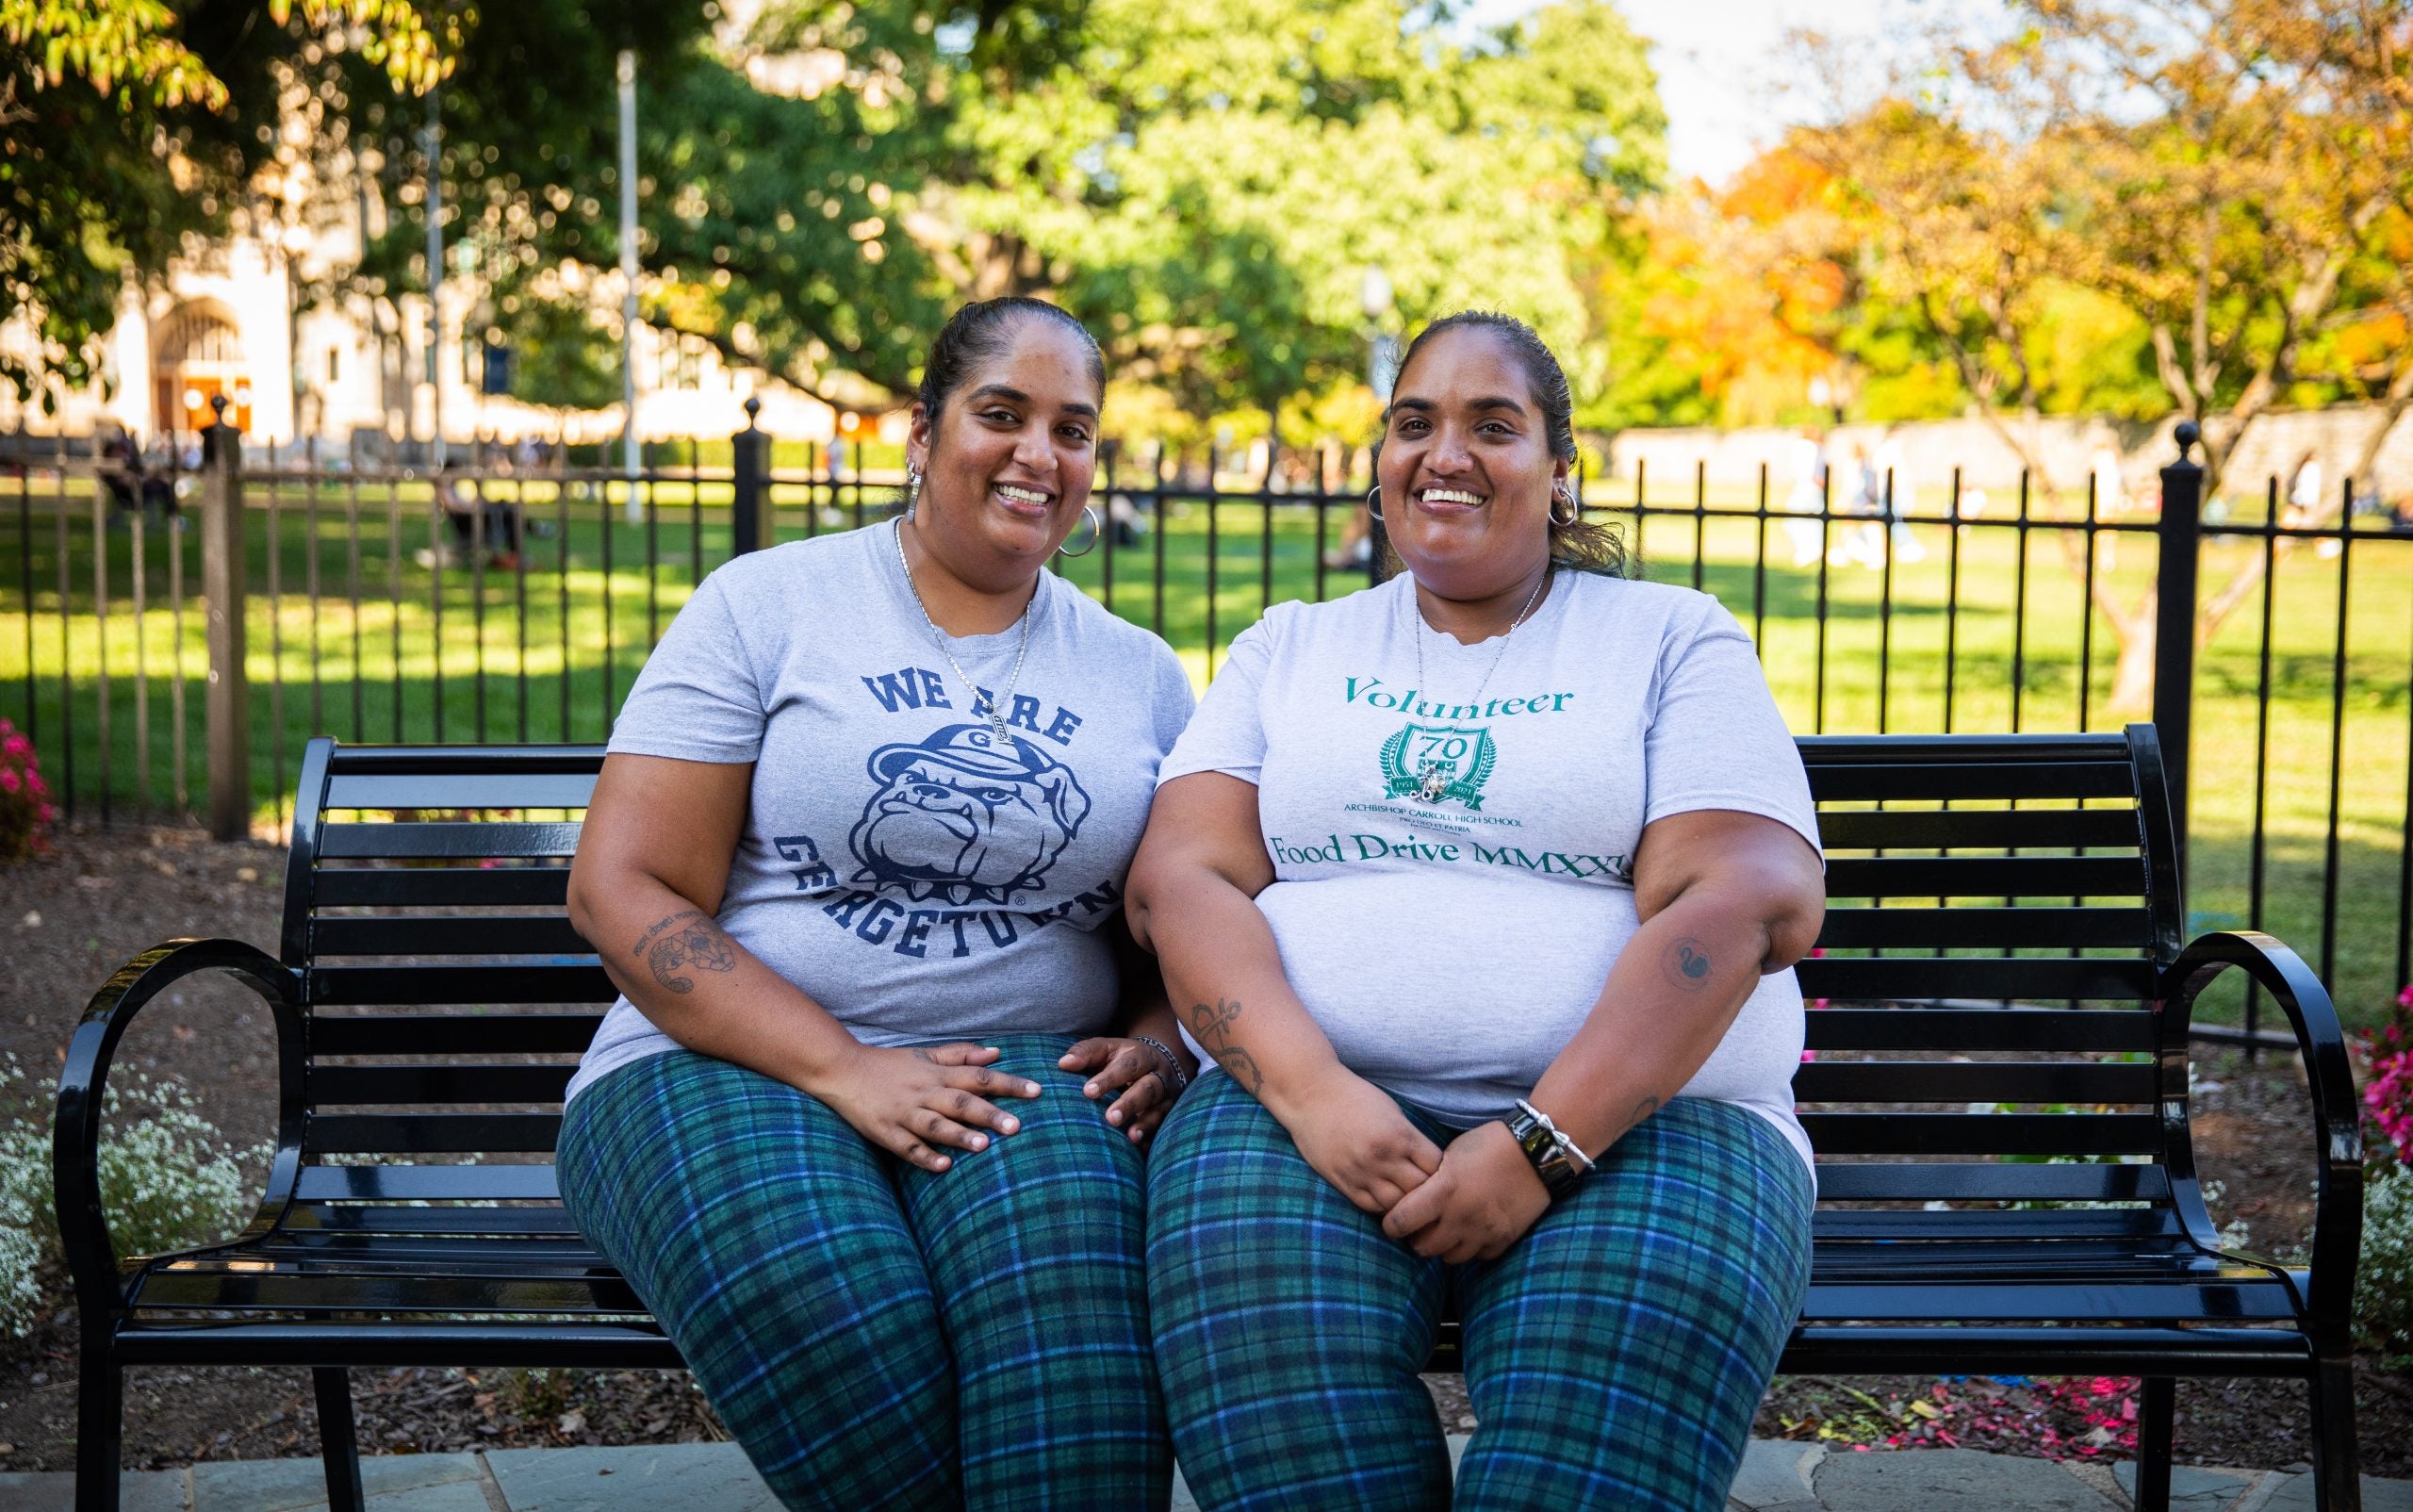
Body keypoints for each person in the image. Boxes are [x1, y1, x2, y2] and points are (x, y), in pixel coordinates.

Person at [1129, 310, 1827, 1512]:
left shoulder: (1668, 639)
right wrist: (1311, 1090)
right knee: (1282, 1398)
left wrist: (1544, 1139)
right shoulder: (1289, 647)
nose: (1443, 453)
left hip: (1658, 1127)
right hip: (1302, 1113)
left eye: (1491, 426)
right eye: (1414, 423)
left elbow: (1746, 895)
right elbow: (1180, 878)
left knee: (1584, 1451)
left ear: (1559, 470)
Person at [556, 297, 1199, 1511]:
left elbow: (1185, 910)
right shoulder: (768, 605)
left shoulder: (1139, 673)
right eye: (999, 414)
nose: (1036, 454)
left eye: (1072, 428)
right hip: (713, 1059)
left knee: (1075, 1345)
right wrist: (848, 1067)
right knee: (836, 1296)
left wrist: (1160, 1043)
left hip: (1017, 1071)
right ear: (921, 431)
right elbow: (620, 886)